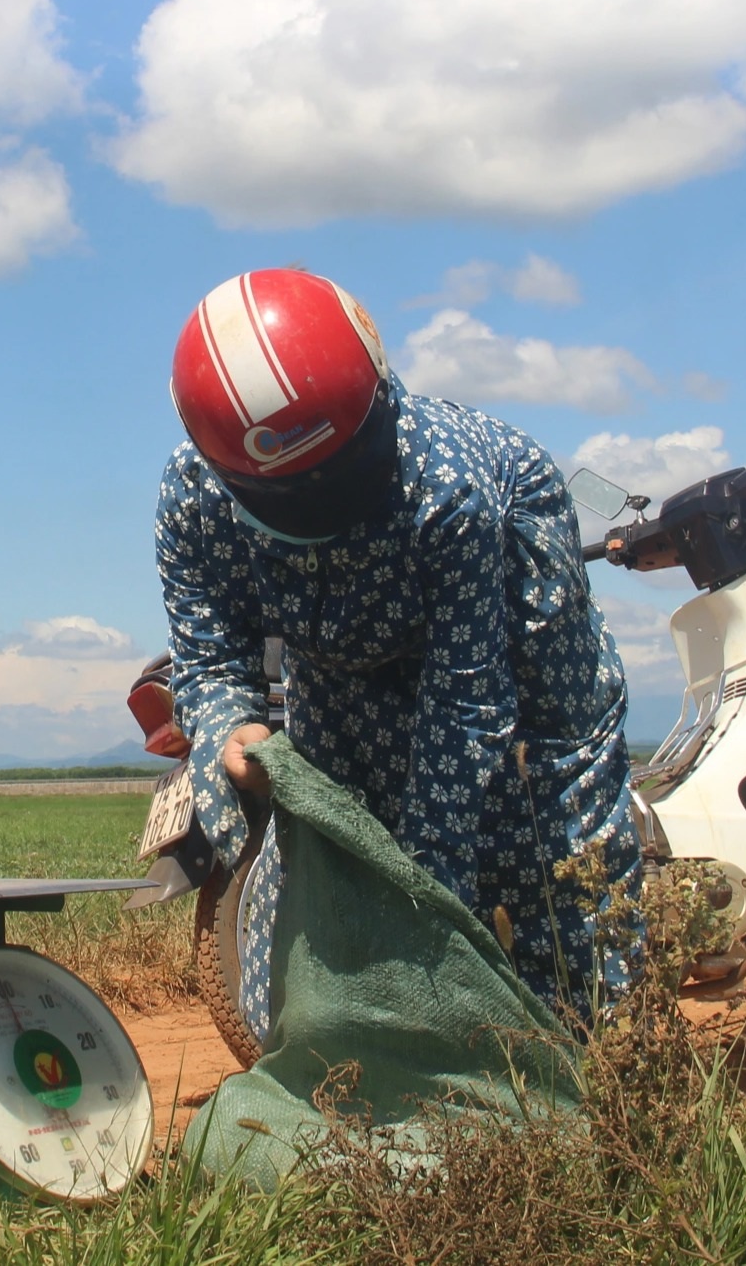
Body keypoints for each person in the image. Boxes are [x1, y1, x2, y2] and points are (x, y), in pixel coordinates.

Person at [154, 268, 641, 1040]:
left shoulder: (445, 491)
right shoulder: (196, 505)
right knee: (329, 855)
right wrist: (229, 730)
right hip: (340, 667)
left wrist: (421, 906)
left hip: (503, 636)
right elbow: (209, 657)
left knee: (548, 827)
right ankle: (338, 1066)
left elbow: (470, 701)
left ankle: (582, 1065)